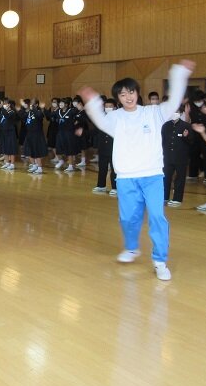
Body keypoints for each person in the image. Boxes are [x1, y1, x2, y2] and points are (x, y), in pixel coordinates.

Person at [81, 59, 194, 281]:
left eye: (131, 92)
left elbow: (174, 101)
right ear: (118, 98)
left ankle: (160, 261)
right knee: (128, 218)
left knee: (157, 217)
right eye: (122, 94)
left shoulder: (153, 113)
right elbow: (99, 120)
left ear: (137, 93)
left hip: (152, 176)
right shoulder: (114, 118)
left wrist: (179, 74)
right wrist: (92, 102)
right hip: (126, 178)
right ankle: (131, 248)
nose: (128, 97)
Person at [161, 106, 193, 207]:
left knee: (180, 178)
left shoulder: (186, 126)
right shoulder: (165, 126)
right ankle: (164, 197)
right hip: (167, 157)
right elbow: (162, 141)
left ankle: (177, 199)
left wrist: (186, 137)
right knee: (166, 177)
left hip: (181, 157)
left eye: (177, 111)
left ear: (180, 113)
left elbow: (191, 142)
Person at [92, 98, 118, 196]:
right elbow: (95, 131)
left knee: (114, 169)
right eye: (106, 106)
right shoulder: (102, 118)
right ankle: (101, 185)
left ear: (115, 107)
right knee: (102, 167)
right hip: (103, 147)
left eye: (110, 106)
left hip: (114, 147)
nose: (108, 108)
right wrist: (83, 133)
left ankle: (115, 187)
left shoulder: (119, 118)